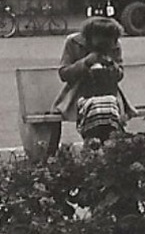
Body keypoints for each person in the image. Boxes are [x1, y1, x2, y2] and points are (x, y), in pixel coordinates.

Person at [55, 16, 135, 147]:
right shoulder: (73, 42)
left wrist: (111, 64)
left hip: (109, 93)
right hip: (80, 93)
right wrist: (85, 62)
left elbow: (119, 74)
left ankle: (108, 144)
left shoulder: (114, 44)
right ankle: (97, 143)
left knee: (108, 106)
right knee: (96, 108)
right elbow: (64, 74)